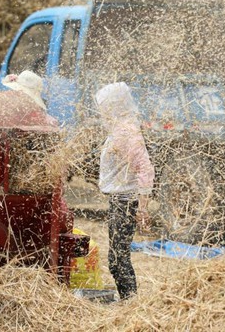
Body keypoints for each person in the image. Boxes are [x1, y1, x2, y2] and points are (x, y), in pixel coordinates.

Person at [94, 82, 154, 300]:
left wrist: (143, 208)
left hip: (126, 200)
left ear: (114, 107)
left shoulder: (127, 132)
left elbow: (146, 169)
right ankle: (129, 301)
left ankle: (131, 303)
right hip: (118, 199)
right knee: (116, 258)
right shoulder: (120, 128)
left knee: (118, 259)